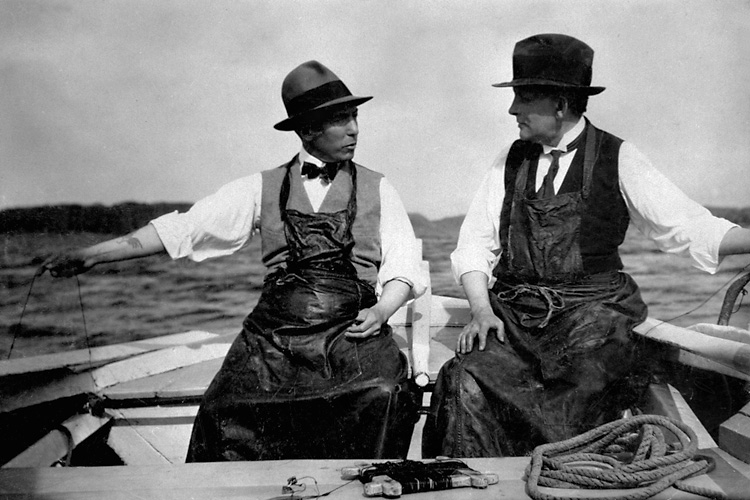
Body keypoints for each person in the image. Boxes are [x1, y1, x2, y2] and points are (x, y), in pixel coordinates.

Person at [43, 60, 426, 461]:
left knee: (385, 393)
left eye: (354, 116)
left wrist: (382, 310)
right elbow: (185, 229)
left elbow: (403, 266)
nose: (354, 129)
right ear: (308, 129)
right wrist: (92, 255)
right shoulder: (260, 188)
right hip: (275, 338)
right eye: (341, 119)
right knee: (221, 408)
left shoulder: (379, 188)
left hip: (353, 331)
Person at [422, 33, 750, 458]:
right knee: (461, 377)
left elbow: (691, 229)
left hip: (594, 320)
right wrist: (482, 310)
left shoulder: (619, 157)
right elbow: (473, 245)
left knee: (579, 386)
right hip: (518, 319)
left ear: (560, 104)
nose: (512, 109)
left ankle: (564, 476)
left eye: (524, 98)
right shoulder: (510, 159)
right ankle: (477, 480)